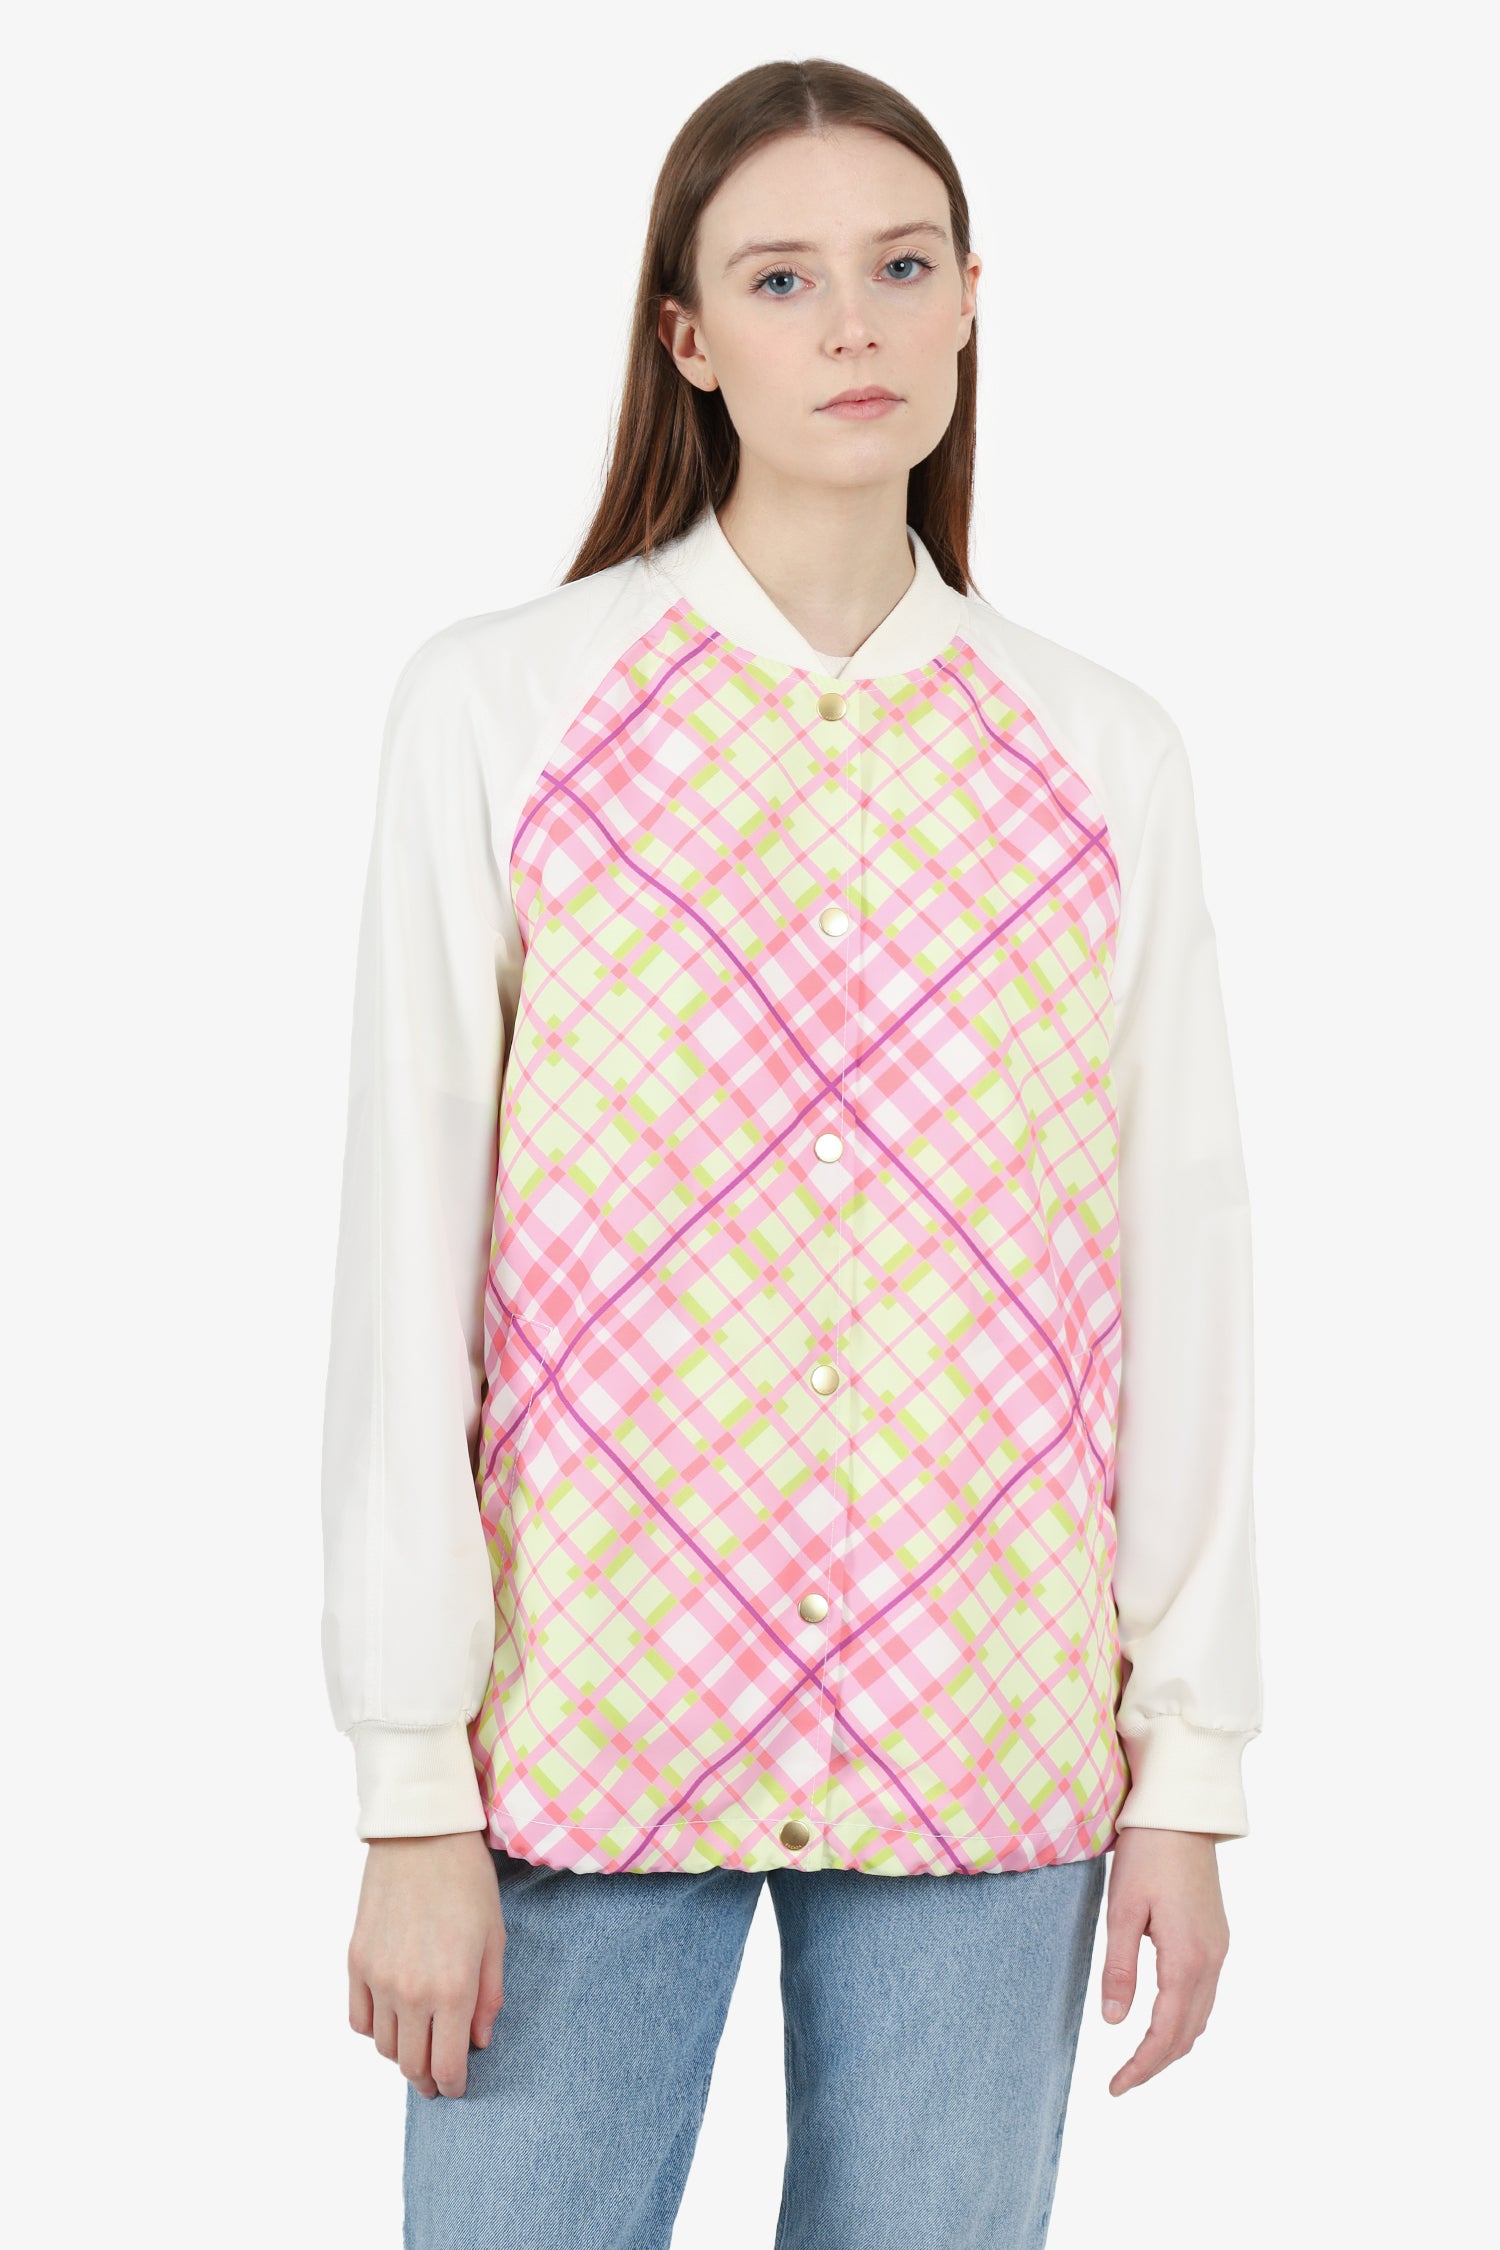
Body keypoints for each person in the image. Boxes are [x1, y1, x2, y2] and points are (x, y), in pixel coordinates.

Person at [319, 54, 1263, 2250]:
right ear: (686, 335)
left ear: (969, 305)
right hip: (577, 1728)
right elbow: (408, 1251)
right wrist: (407, 1784)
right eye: (780, 278)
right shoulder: (506, 710)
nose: (851, 324)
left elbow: (1183, 1264)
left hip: (990, 1729)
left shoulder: (1100, 753)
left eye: (901, 267)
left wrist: (1192, 1768)